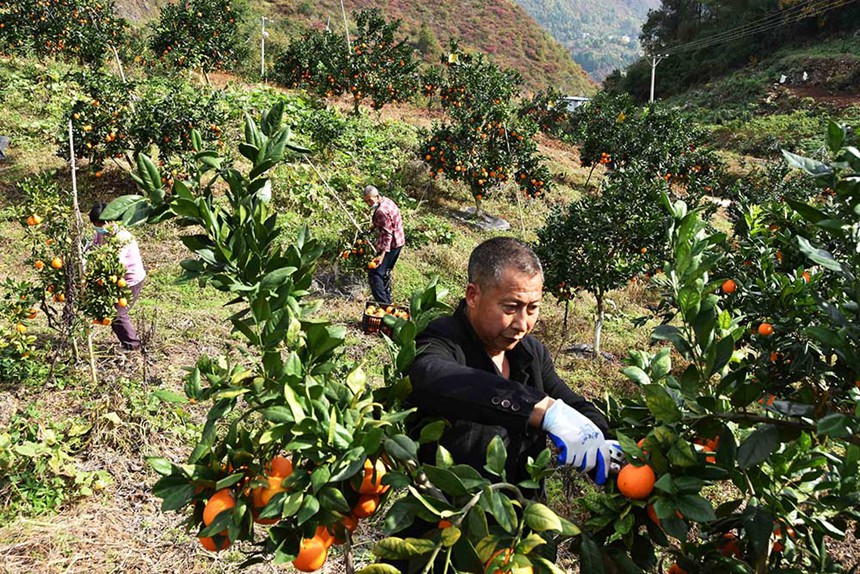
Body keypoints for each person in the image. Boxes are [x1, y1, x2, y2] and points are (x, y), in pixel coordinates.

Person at [408, 237, 612, 486]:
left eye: (532, 308)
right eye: (511, 307)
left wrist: (601, 438)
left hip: (519, 514)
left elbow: (568, 401)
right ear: (473, 296)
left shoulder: (531, 352)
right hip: (449, 515)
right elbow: (434, 377)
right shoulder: (441, 338)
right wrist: (538, 408)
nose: (522, 324)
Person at [89, 202, 147, 351]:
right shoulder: (103, 233)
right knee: (113, 312)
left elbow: (116, 264)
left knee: (117, 313)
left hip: (130, 280)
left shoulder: (121, 237)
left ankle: (132, 345)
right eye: (95, 225)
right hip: (115, 279)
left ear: (110, 221)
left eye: (99, 224)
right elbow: (96, 244)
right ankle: (130, 343)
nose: (98, 228)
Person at [363, 185, 404, 305]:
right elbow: (386, 222)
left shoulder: (381, 211)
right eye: (366, 201)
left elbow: (387, 234)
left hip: (391, 245)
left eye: (370, 200)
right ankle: (388, 300)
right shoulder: (387, 201)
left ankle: (384, 306)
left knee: (375, 274)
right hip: (399, 241)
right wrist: (372, 228)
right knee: (384, 272)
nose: (369, 204)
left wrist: (382, 255)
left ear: (376, 196)